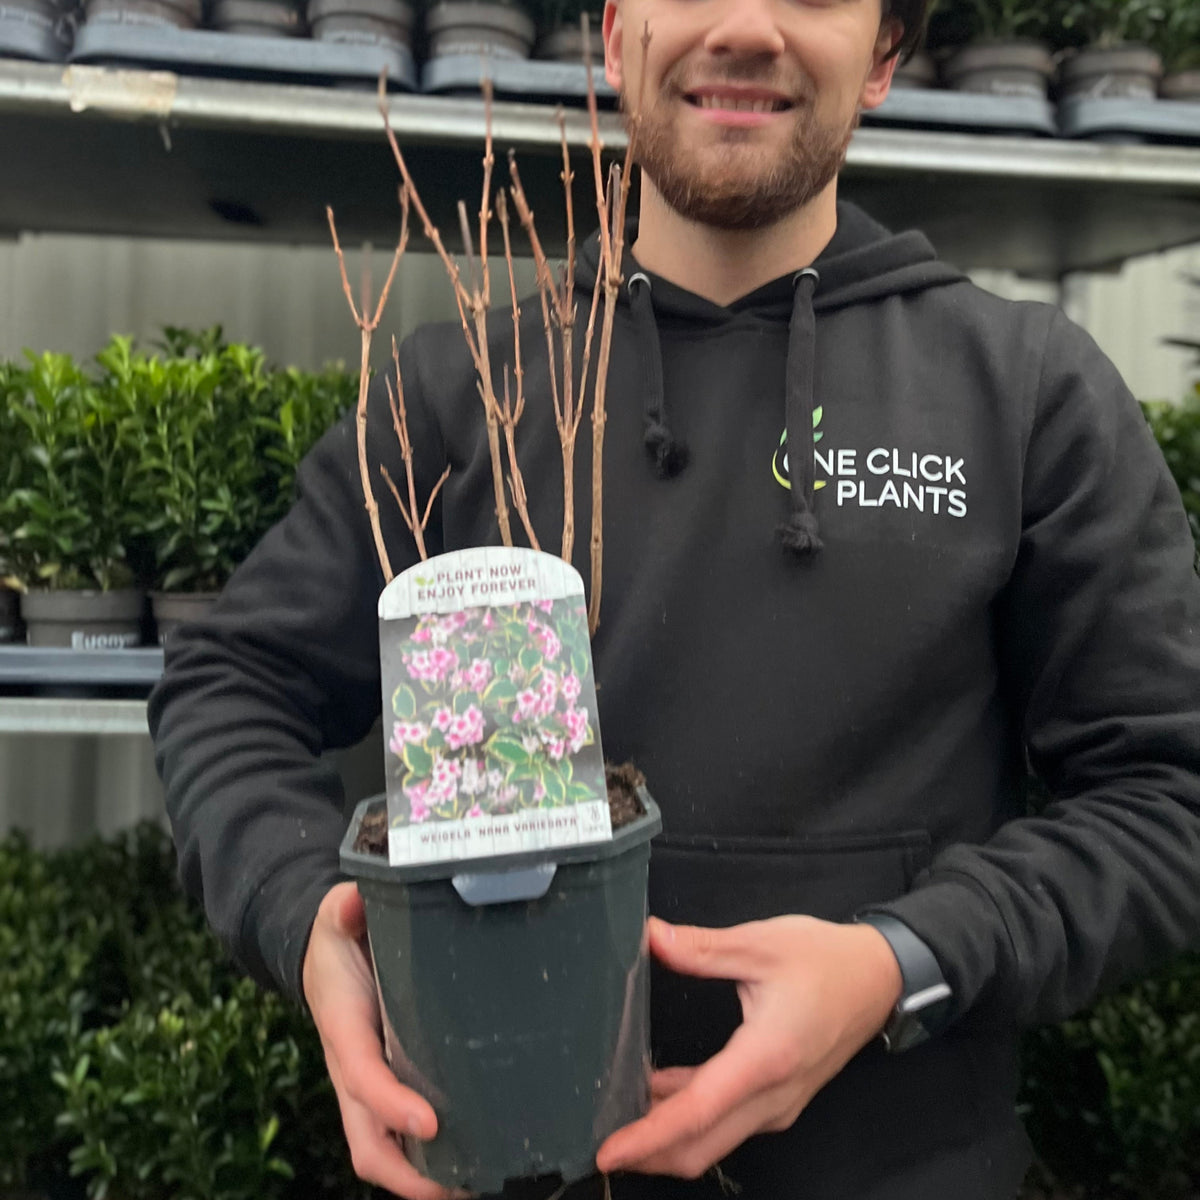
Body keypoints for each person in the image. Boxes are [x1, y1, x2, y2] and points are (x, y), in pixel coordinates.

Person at [148, 0, 1200, 1197]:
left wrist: (903, 961)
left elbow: (1169, 791)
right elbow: (229, 685)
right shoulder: (460, 393)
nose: (746, 26)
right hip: (504, 1169)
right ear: (612, 36)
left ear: (887, 57)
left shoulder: (1023, 391)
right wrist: (312, 931)